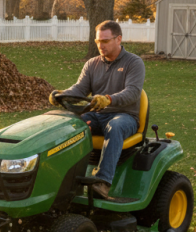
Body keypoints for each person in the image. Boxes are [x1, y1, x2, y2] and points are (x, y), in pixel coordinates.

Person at [49, 20, 145, 199]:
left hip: (125, 116)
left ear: (118, 39)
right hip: (96, 115)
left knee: (115, 127)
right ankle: (62, 177)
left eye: (105, 41)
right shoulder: (92, 64)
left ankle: (102, 182)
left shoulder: (134, 62)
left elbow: (132, 93)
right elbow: (79, 89)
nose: (101, 45)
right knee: (70, 124)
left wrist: (108, 99)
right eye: (98, 41)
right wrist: (62, 95)